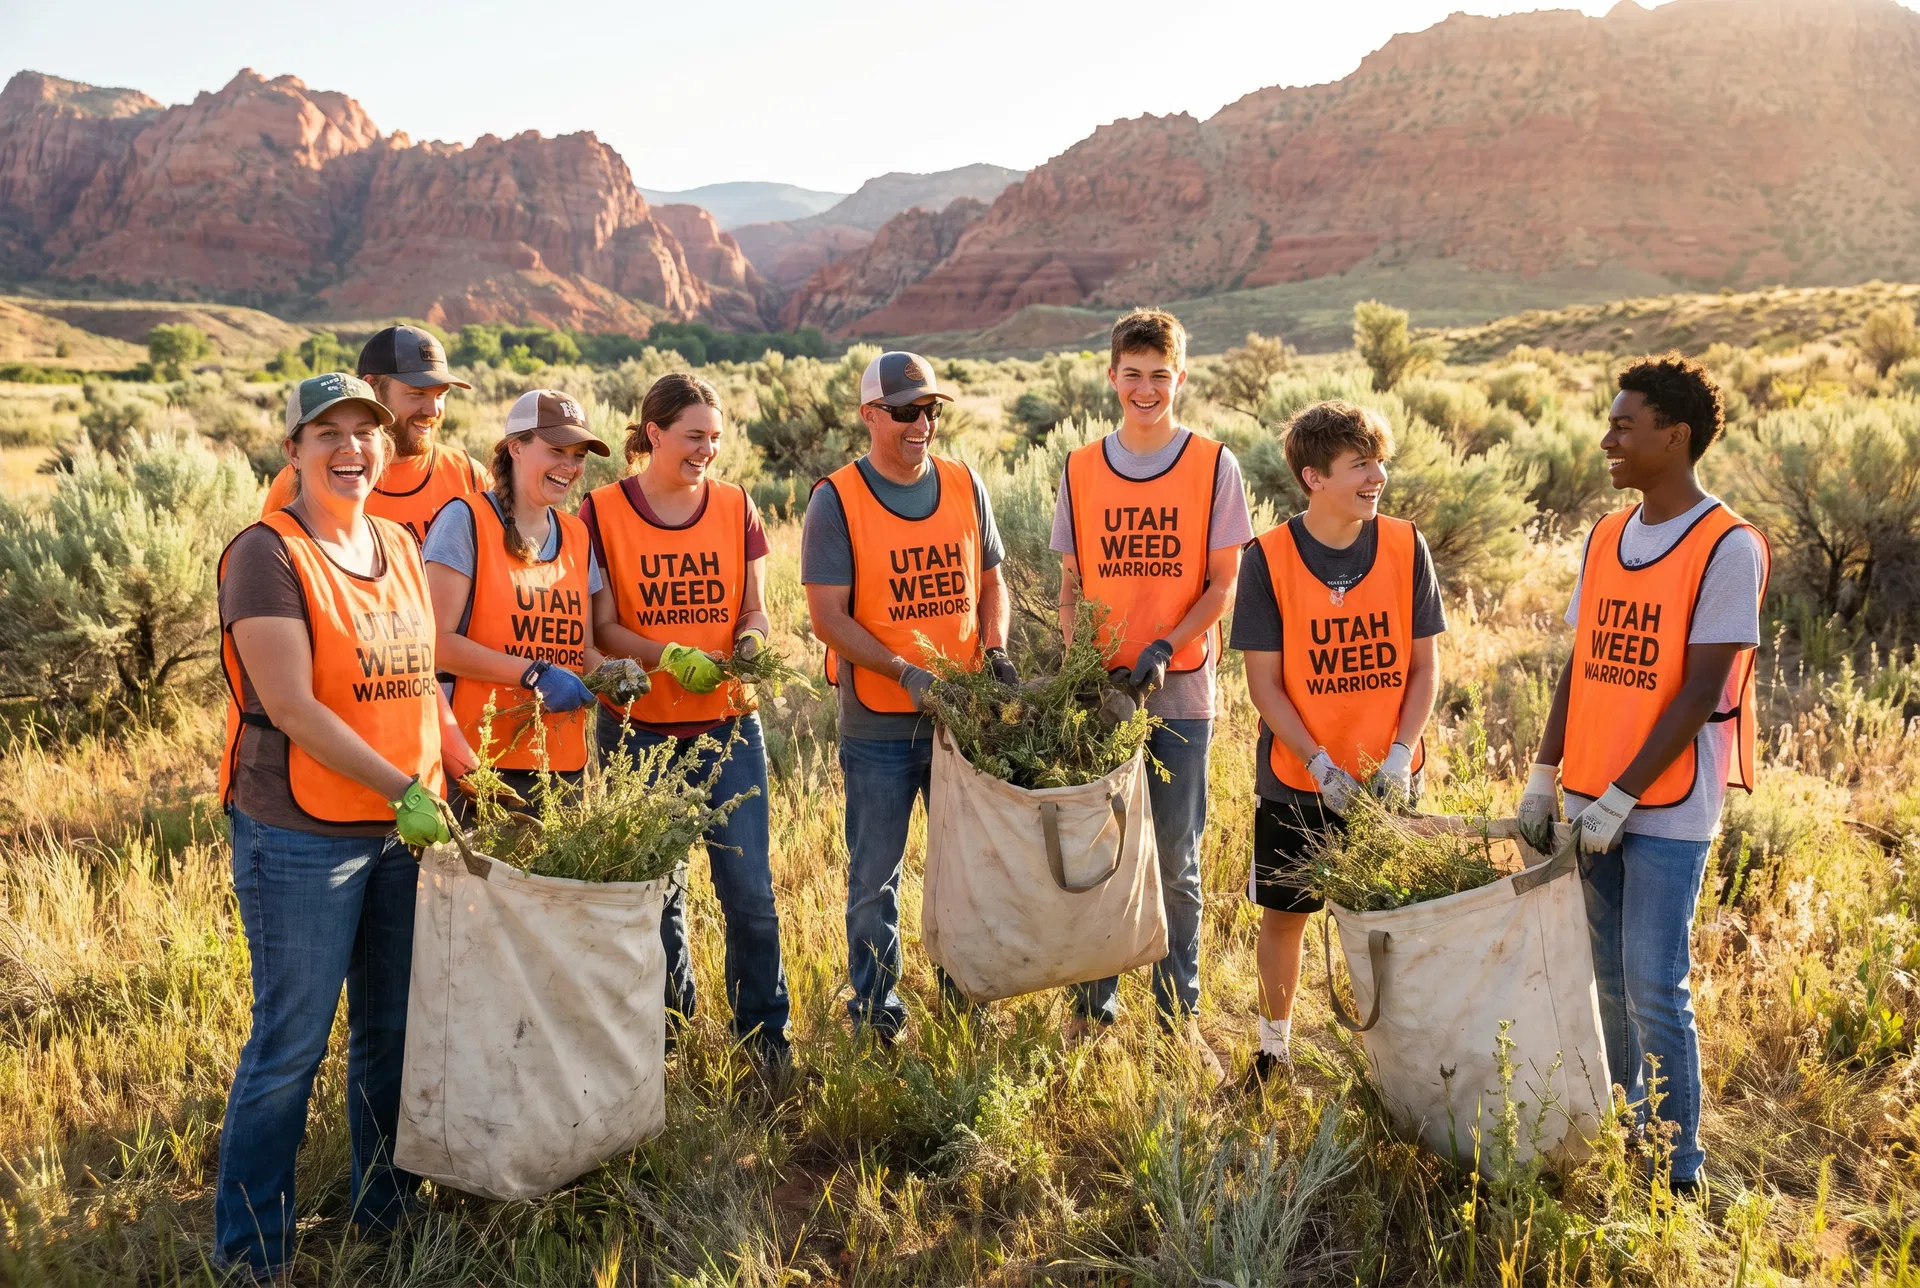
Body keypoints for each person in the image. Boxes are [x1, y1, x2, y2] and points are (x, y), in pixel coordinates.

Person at [213, 373, 472, 1278]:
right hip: (301, 834)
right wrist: (407, 784)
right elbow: (292, 707)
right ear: (294, 451)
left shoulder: (401, 543)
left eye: (365, 429)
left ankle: (385, 1207)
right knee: (292, 1041)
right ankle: (252, 1251)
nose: (351, 447)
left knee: (393, 1030)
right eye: (328, 432)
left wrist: (453, 767)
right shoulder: (267, 554)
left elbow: (421, 675)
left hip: (403, 828)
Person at [1517, 354, 1768, 1199]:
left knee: (1656, 986)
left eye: (1625, 426)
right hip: (1589, 798)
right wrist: (1546, 775)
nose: (1606, 439)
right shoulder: (1603, 535)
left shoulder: (1728, 546)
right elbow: (1581, 662)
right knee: (1610, 978)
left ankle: (1678, 1171)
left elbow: (1703, 688)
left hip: (1663, 809)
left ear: (1676, 435)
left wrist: (1624, 794)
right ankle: (1630, 1134)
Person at [1052, 309, 1251, 1080]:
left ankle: (1179, 1021)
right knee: (1099, 855)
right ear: (1112, 377)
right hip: (1103, 694)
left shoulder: (1212, 464)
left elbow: (1223, 581)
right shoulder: (1079, 467)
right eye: (1131, 375)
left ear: (1181, 379)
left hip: (1181, 692)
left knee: (1176, 859)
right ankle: (1091, 1011)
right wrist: (1081, 667)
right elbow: (1070, 587)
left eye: (1160, 376)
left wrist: (1170, 643)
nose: (1145, 389)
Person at [1229, 400, 1445, 1085]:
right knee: (1286, 916)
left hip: (1388, 781)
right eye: (1360, 464)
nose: (1377, 475)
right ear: (1313, 477)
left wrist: (1402, 755)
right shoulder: (1266, 558)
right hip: (1298, 779)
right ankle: (1273, 1051)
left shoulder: (1407, 545)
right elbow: (1263, 683)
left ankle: (1406, 1062)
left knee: (1394, 919)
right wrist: (1318, 763)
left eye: (1380, 460)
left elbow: (1424, 666)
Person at [802, 351, 1014, 1043]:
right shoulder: (836, 498)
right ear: (870, 416)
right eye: (905, 412)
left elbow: (991, 581)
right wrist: (903, 674)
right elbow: (828, 618)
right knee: (875, 881)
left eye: (931, 409)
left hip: (961, 720)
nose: (922, 423)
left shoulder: (962, 482)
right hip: (880, 724)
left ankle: (967, 1000)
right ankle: (875, 1014)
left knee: (968, 871)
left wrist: (999, 649)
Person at [581, 372, 791, 1065]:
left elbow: (754, 610)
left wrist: (751, 646)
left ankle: (764, 1039)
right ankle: (669, 1037)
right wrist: (667, 653)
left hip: (729, 726)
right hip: (638, 730)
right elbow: (601, 627)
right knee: (656, 894)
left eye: (717, 438)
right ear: (653, 435)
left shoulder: (734, 506)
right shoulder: (602, 511)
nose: (708, 449)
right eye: (694, 435)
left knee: (751, 895)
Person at [424, 388, 618, 814]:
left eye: (579, 455)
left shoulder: (576, 534)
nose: (570, 466)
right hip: (480, 766)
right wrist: (533, 675)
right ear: (516, 447)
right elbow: (434, 645)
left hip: (562, 765)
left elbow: (577, 648)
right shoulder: (465, 520)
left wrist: (610, 672)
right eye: (557, 451)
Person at [262, 325, 489, 542]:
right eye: (417, 394)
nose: (433, 410)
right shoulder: (305, 480)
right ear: (372, 388)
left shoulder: (469, 475)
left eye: (440, 395)